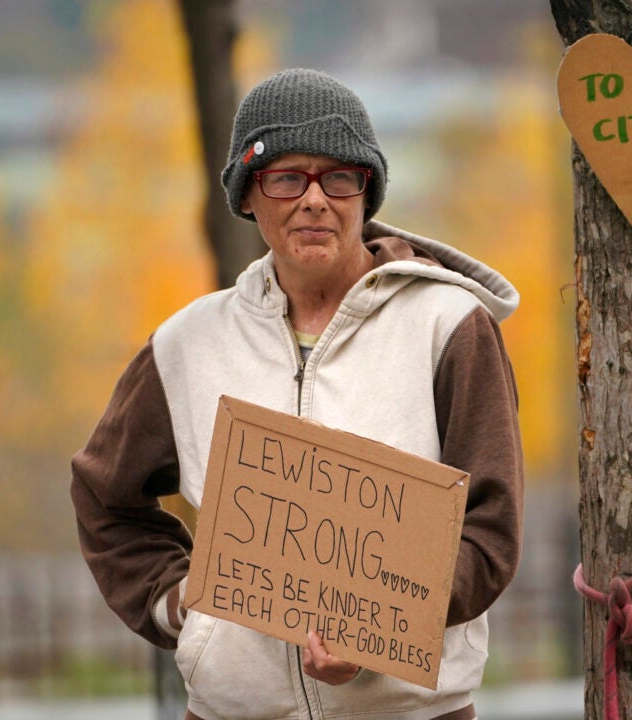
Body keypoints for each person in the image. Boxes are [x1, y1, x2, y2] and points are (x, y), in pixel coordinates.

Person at [71, 68, 524, 720]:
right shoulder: (187, 345)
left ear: (366, 193)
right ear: (247, 196)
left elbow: (490, 529)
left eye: (339, 177)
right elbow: (103, 496)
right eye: (286, 178)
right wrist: (180, 605)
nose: (314, 199)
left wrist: (380, 624)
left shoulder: (448, 327)